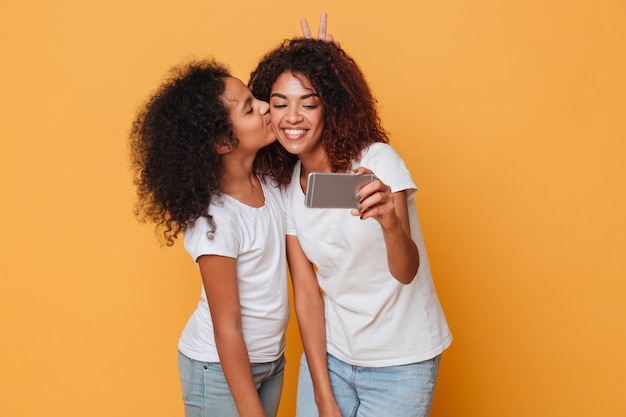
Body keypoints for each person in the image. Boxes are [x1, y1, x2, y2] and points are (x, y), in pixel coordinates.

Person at [249, 38, 453, 417]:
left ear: (331, 107)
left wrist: (390, 222)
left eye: (309, 102)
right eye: (280, 104)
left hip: (401, 362)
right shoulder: (288, 183)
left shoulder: (377, 161)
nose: (292, 116)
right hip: (333, 358)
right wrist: (323, 396)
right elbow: (308, 296)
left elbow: (406, 272)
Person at [129, 59, 288, 417]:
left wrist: (321, 67)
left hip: (271, 361)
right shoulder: (215, 221)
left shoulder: (273, 182)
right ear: (221, 142)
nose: (265, 107)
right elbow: (226, 326)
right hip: (217, 369)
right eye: (250, 108)